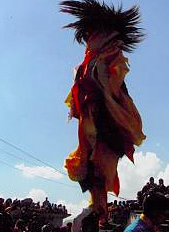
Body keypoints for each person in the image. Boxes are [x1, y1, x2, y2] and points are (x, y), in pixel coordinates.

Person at [61, 0, 146, 217]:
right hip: (92, 118)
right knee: (91, 168)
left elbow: (115, 89)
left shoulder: (109, 58)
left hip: (106, 118)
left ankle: (100, 212)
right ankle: (98, 211)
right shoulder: (88, 63)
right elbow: (81, 92)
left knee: (99, 166)